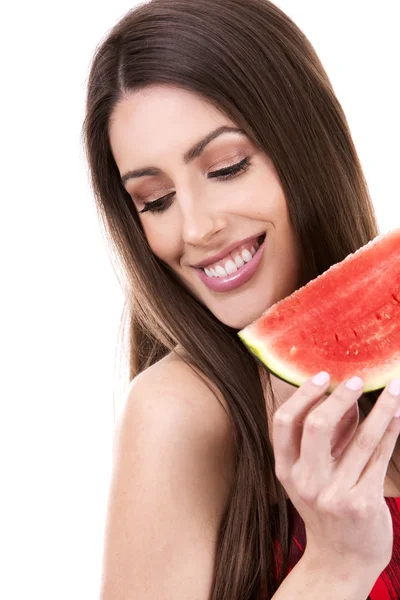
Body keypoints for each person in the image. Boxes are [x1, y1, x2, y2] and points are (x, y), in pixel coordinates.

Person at [81, 1, 400, 598]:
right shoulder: (177, 412)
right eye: (154, 200)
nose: (196, 228)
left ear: (307, 143)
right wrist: (336, 564)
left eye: (226, 167)